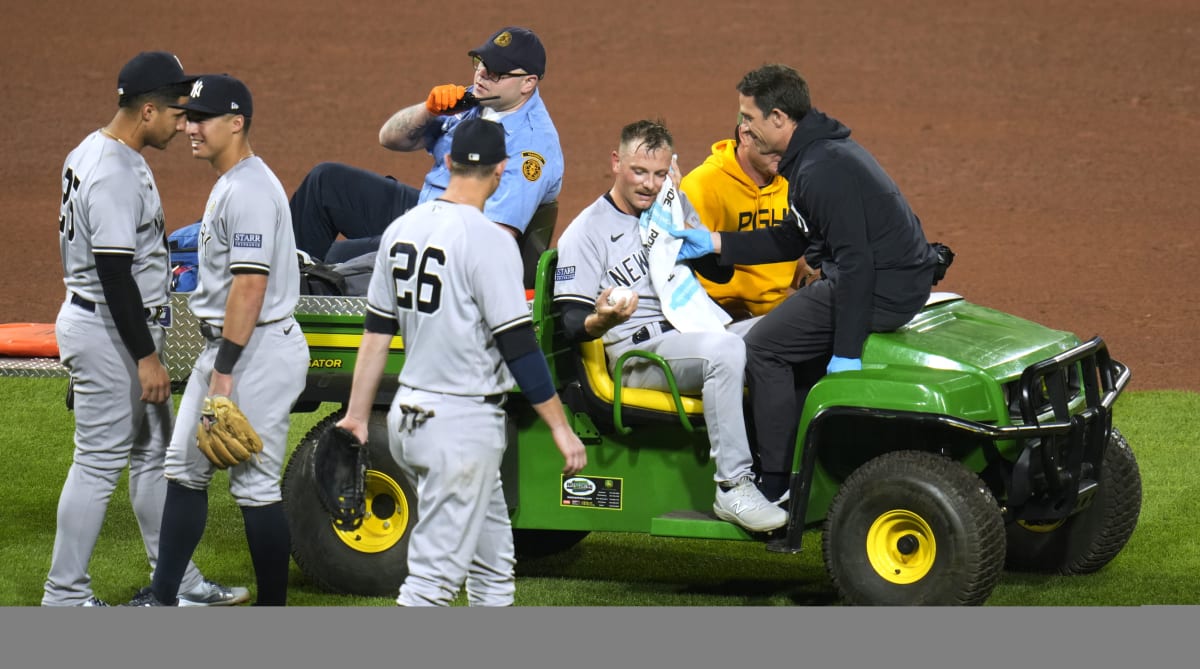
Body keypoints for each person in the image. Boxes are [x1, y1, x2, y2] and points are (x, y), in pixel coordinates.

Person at [334, 118, 586, 607]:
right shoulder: (489, 240)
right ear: (501, 171)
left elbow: (376, 335)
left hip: (410, 416)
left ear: (448, 162)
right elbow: (518, 344)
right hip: (460, 426)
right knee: (430, 585)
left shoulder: (402, 230)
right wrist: (559, 426)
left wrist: (359, 416)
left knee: (493, 568)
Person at [671, 64, 941, 503]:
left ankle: (775, 482)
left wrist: (847, 351)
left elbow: (856, 264)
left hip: (879, 289)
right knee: (790, 344)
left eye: (749, 117)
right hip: (892, 280)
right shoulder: (820, 153)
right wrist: (717, 242)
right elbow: (793, 236)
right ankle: (803, 463)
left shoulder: (819, 170)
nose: (743, 128)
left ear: (778, 118)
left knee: (764, 347)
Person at [45, 51, 247, 608]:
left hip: (112, 327)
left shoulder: (99, 150)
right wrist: (145, 358)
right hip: (111, 330)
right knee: (97, 462)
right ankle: (64, 598)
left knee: (153, 457)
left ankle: (174, 581)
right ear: (147, 110)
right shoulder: (112, 172)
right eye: (177, 112)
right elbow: (113, 272)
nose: (184, 122)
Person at [126, 74, 310, 606]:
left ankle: (273, 613)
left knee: (254, 488)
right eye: (187, 116)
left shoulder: (249, 190)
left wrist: (224, 375)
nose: (189, 126)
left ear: (236, 123)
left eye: (201, 117)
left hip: (256, 353)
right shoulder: (231, 180)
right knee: (184, 469)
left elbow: (250, 289)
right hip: (230, 350)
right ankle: (165, 601)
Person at [552, 119, 787, 533]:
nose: (649, 184)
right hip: (638, 357)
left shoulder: (669, 206)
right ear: (615, 162)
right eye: (639, 172)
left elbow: (717, 270)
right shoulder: (586, 232)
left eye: (660, 174)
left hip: (693, 333)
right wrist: (601, 319)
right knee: (727, 353)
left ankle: (786, 471)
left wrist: (686, 218)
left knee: (786, 329)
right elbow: (570, 321)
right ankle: (733, 486)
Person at [289, 26, 563, 264]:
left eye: (495, 73)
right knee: (325, 182)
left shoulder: (533, 146)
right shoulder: (475, 99)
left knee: (335, 257)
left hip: (451, 244)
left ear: (528, 83)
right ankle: (287, 283)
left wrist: (415, 238)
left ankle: (296, 295)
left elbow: (491, 238)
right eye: (481, 63)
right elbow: (390, 138)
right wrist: (429, 110)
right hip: (426, 210)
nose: (481, 75)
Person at [679, 124, 818, 320]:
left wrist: (807, 278)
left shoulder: (793, 183)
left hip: (776, 314)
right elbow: (682, 268)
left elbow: (790, 256)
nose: (785, 152)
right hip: (717, 314)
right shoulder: (702, 186)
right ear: (745, 136)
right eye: (775, 143)